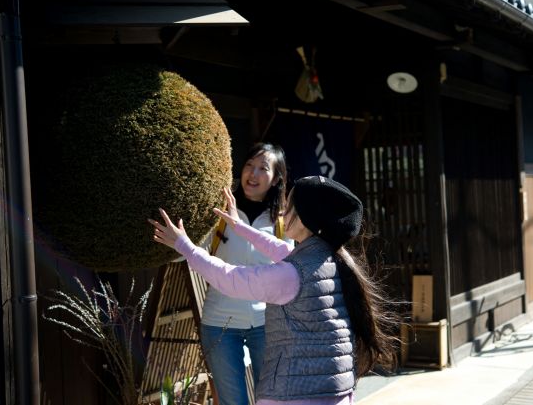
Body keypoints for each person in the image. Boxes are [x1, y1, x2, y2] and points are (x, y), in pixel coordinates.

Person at [149, 176, 398, 405]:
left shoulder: (291, 274)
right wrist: (239, 226)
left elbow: (229, 279)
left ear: (306, 218)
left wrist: (184, 245)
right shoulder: (329, 259)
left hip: (295, 394)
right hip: (334, 392)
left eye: (289, 206)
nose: (282, 211)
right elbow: (279, 249)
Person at [199, 142, 289, 405]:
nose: (253, 173)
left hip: (267, 324)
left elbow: (291, 269)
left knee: (272, 399)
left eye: (263, 168)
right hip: (220, 323)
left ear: (276, 179)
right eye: (249, 165)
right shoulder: (219, 213)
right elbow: (193, 253)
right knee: (232, 402)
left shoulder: (283, 220)